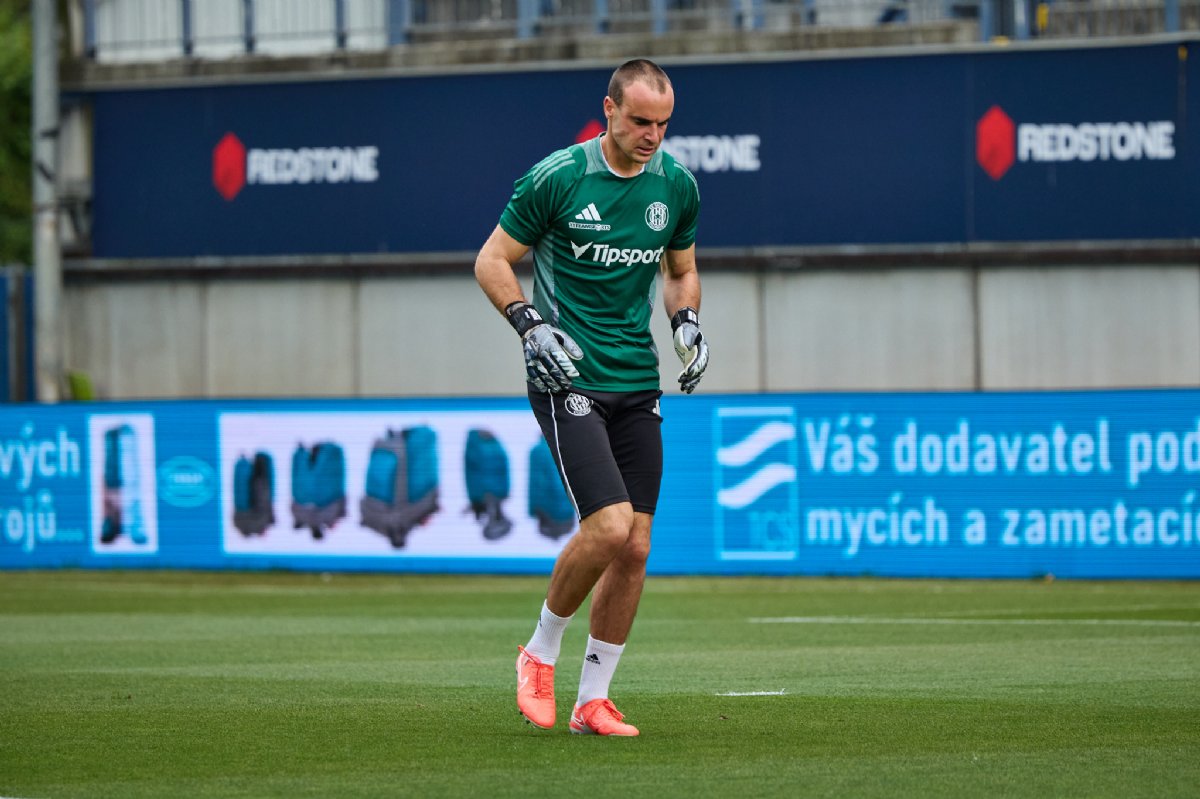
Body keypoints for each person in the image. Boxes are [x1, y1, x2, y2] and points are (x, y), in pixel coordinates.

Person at [474, 58, 709, 737]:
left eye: (663, 124)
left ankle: (592, 700)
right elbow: (492, 259)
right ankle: (538, 651)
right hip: (567, 376)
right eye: (639, 121)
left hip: (637, 379)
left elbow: (681, 271)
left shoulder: (677, 186)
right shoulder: (559, 177)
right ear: (608, 110)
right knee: (607, 526)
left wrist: (687, 321)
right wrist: (529, 324)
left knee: (635, 546)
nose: (652, 136)